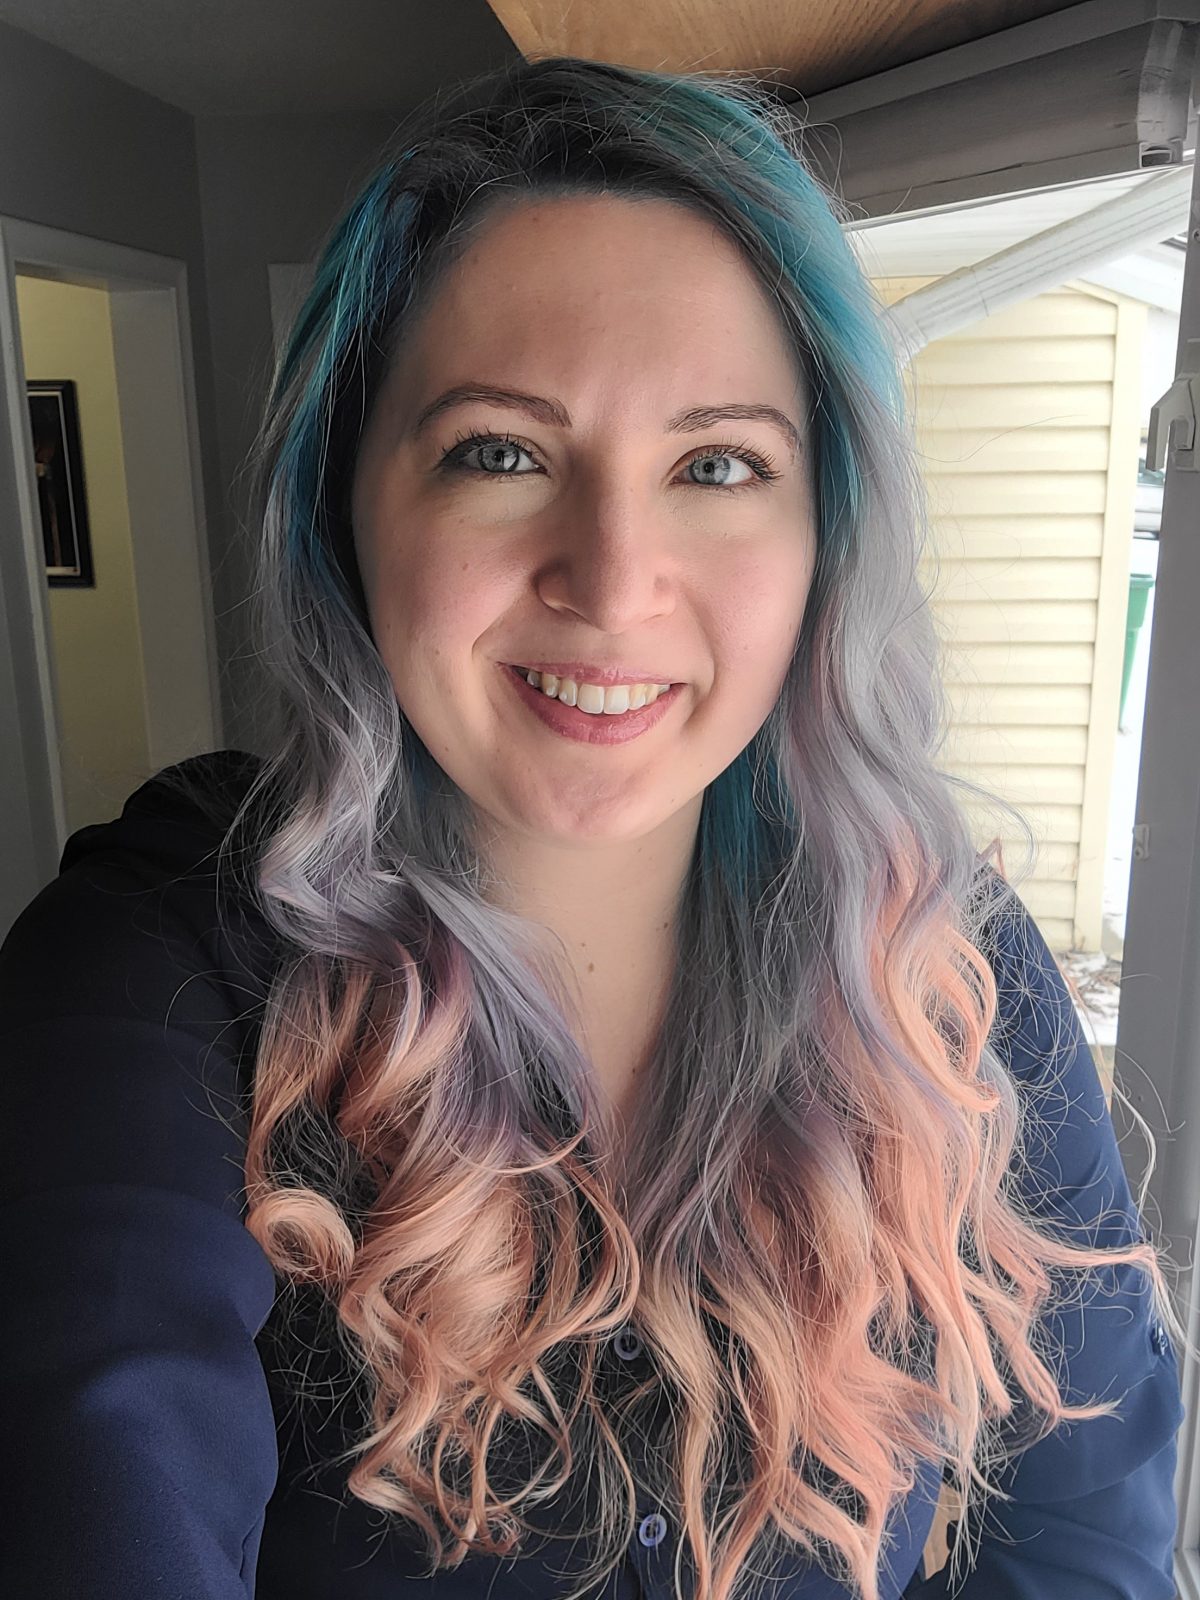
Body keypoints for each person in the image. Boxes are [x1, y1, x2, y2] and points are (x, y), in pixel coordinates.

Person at [0, 54, 1188, 1600]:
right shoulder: (163, 965)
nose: (614, 579)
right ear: (347, 510)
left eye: (718, 464)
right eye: (501, 452)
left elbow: (1087, 1536)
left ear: (824, 536)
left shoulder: (945, 962)